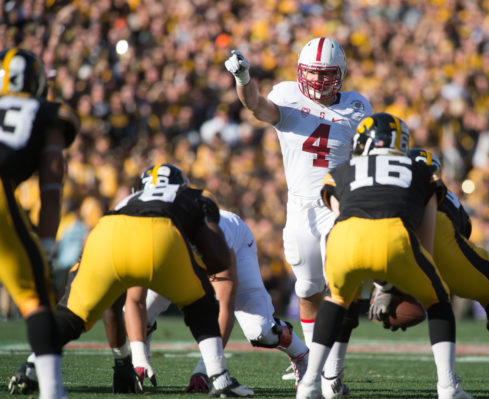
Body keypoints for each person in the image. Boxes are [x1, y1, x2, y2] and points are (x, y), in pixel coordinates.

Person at [10, 164, 254, 398]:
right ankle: (219, 377)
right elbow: (219, 257)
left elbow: (115, 307)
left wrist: (123, 361)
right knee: (200, 302)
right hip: (160, 234)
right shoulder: (195, 195)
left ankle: (31, 364)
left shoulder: (126, 201)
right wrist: (206, 267)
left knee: (71, 316)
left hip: (104, 234)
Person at [225, 37, 373, 395]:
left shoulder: (357, 105)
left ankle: (330, 374)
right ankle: (311, 363)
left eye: (326, 75)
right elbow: (256, 106)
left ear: (340, 75)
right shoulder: (288, 95)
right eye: (313, 74)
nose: (319, 82)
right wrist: (243, 78)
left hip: (339, 205)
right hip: (300, 206)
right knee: (307, 288)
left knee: (340, 287)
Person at [296, 113, 473, 399]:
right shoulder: (422, 171)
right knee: (439, 299)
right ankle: (448, 387)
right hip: (393, 239)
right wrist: (393, 285)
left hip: (343, 241)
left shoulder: (341, 170)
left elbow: (340, 221)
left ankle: (310, 385)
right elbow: (424, 245)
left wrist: (367, 281)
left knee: (337, 300)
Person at [370, 148, 489, 399]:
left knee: (339, 296)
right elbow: (463, 228)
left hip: (388, 241)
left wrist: (385, 287)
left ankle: (328, 376)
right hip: (441, 235)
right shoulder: (439, 189)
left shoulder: (381, 186)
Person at [123, 208, 309, 392]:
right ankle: (139, 366)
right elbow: (134, 302)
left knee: (260, 330)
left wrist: (205, 371)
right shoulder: (149, 240)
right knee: (144, 309)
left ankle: (301, 355)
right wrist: (139, 359)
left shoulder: (212, 239)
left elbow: (224, 308)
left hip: (237, 243)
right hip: (190, 253)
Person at [1, 47, 79, 399]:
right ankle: (51, 391)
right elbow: (51, 186)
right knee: (38, 296)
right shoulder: (48, 113)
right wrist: (46, 246)